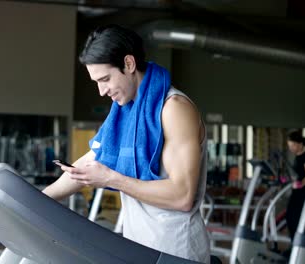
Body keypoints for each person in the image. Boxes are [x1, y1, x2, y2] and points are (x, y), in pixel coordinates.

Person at [43, 25, 210, 263]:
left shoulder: (173, 109)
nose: (101, 91)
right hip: (138, 250)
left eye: (105, 79)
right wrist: (35, 199)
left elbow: (181, 196)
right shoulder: (127, 114)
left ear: (129, 64)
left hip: (175, 254)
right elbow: (88, 165)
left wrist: (111, 178)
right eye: (96, 82)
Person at [285, 130, 305, 241]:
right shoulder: (298, 156)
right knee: (290, 218)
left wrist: (300, 184)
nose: (291, 148)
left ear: (300, 144)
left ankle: (301, 243)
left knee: (294, 219)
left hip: (303, 193)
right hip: (297, 191)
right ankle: (296, 243)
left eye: (293, 145)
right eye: (289, 146)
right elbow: (299, 174)